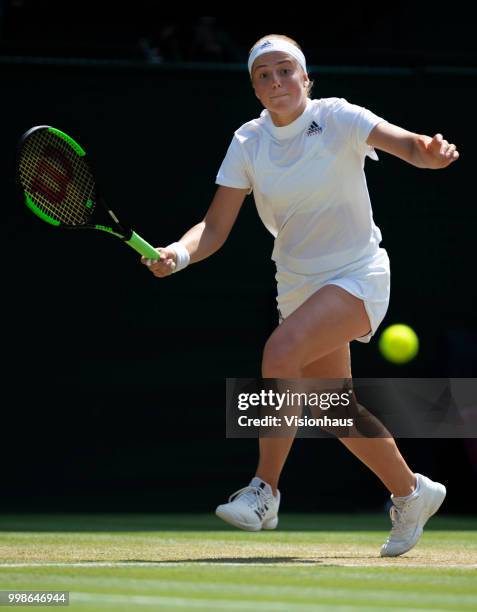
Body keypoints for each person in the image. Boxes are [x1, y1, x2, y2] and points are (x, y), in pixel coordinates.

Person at [142, 34, 459, 557]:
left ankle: (265, 490)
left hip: (358, 273)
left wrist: (427, 153)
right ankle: (412, 492)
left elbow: (406, 145)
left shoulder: (338, 117)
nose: (275, 82)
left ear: (306, 78)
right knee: (336, 410)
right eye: (262, 75)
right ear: (255, 89)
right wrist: (176, 253)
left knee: (280, 352)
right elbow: (215, 229)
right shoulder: (247, 142)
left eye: (285, 70)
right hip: (296, 283)